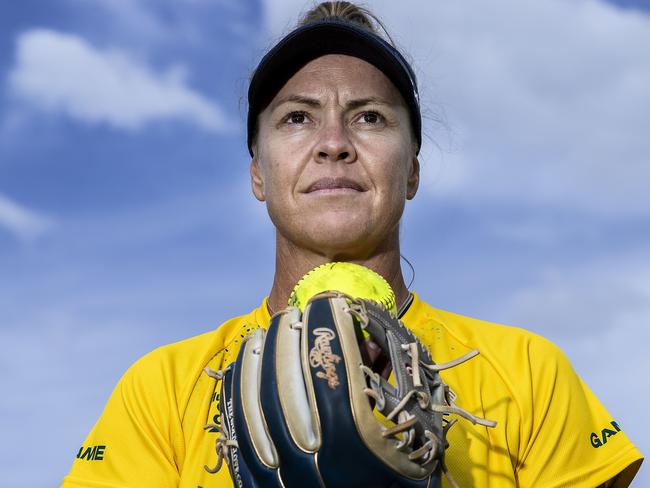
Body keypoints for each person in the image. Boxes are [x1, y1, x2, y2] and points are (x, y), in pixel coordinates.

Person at [62, 2, 643, 487]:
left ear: (412, 169)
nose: (333, 143)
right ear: (258, 173)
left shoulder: (528, 372)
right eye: (296, 118)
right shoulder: (161, 388)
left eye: (368, 118)